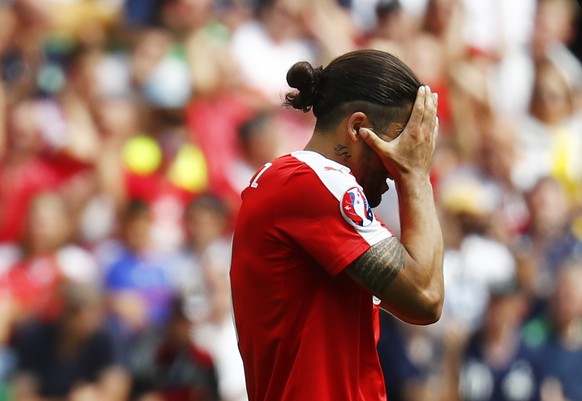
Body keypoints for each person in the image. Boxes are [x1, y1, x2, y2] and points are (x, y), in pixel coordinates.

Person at [230, 49, 444, 401]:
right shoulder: (314, 182)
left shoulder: (294, 184)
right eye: (399, 142)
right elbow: (425, 297)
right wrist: (416, 174)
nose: (399, 162)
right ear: (358, 128)